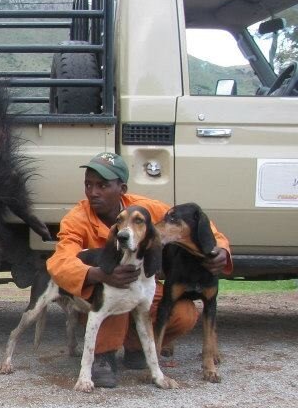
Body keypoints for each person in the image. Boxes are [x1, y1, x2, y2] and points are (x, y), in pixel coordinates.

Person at [46, 152, 232, 387]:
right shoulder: (76, 218)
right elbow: (60, 260)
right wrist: (99, 274)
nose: (93, 192)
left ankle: (136, 347)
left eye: (103, 185)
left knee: (184, 314)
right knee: (114, 296)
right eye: (88, 185)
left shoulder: (146, 209)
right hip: (101, 294)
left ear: (121, 188)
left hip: (139, 285)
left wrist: (221, 248)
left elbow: (195, 223)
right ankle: (103, 356)